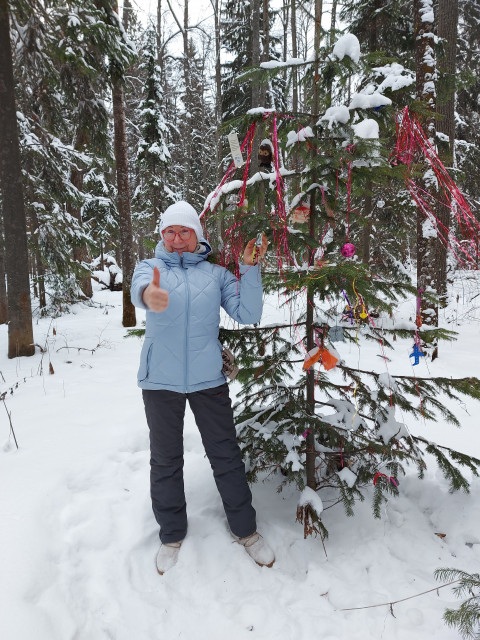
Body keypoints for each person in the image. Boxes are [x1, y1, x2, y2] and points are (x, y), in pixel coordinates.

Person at [131, 201, 274, 574]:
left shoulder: (216, 275)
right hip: (160, 381)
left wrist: (249, 268)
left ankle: (246, 531)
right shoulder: (150, 267)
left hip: (208, 379)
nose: (177, 239)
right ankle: (171, 533)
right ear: (162, 235)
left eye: (185, 232)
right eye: (170, 232)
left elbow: (249, 314)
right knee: (165, 459)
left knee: (226, 455)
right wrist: (150, 296)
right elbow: (140, 290)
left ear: (198, 235)